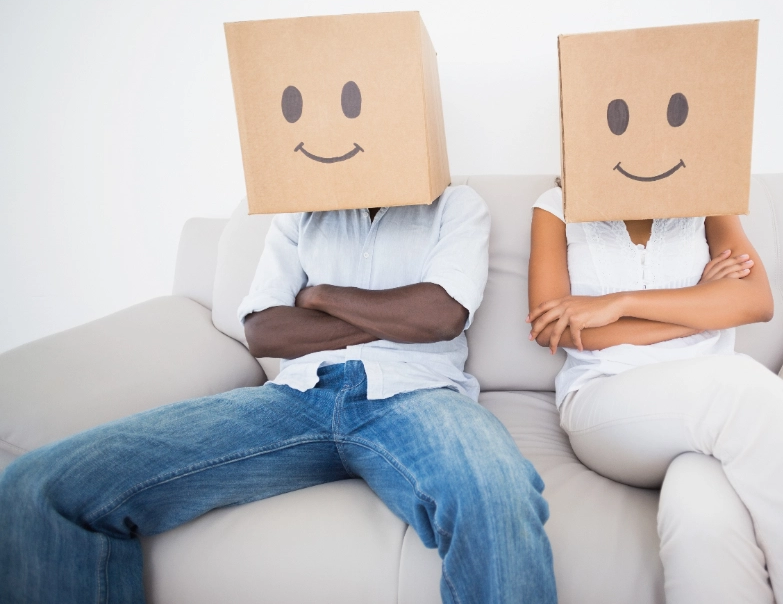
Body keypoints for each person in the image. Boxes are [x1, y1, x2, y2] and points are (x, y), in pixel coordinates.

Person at [0, 187, 557, 604]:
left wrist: (321, 295)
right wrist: (392, 315)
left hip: (419, 397)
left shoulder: (458, 204)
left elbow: (439, 316)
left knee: (496, 490)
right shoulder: (299, 211)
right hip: (295, 399)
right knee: (39, 486)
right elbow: (266, 332)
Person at [527, 183, 783, 604]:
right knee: (750, 389)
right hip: (607, 400)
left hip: (709, 414)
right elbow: (552, 328)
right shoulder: (555, 205)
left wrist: (619, 303)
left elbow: (756, 301)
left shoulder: (706, 191)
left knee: (701, 511)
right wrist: (702, 306)